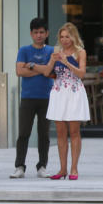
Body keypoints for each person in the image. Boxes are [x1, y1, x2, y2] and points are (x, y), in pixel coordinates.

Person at [39, 22, 90, 180]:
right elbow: (47, 72)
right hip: (59, 92)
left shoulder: (80, 52)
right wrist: (52, 61)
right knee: (60, 133)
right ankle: (62, 169)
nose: (64, 39)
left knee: (74, 132)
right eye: (62, 37)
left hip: (74, 92)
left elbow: (81, 74)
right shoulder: (56, 51)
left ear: (73, 36)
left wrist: (67, 62)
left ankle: (74, 169)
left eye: (67, 36)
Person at [10, 18, 55, 179]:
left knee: (44, 134)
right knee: (23, 133)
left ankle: (42, 166)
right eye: (36, 32)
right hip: (28, 98)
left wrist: (32, 66)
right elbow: (19, 71)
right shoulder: (24, 50)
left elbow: (52, 72)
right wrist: (42, 69)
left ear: (47, 33)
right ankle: (19, 166)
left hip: (46, 97)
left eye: (42, 32)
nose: (39, 35)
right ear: (31, 33)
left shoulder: (51, 51)